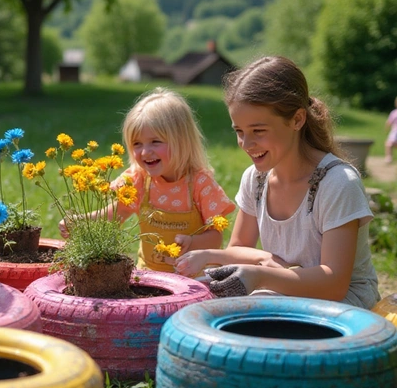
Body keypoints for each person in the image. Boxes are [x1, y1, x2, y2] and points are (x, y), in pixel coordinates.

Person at [175, 56, 381, 310]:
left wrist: (261, 275)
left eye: (258, 131)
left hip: (344, 305)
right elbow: (240, 247)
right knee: (195, 301)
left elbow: (334, 283)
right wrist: (211, 256)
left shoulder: (338, 183)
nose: (246, 144)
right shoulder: (256, 179)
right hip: (282, 290)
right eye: (239, 131)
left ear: (297, 120)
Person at [60, 87, 236, 273]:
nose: (145, 152)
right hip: (149, 276)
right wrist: (81, 221)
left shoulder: (200, 184)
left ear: (182, 141)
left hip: (194, 281)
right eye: (137, 144)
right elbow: (114, 215)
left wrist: (192, 243)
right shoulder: (139, 180)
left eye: (155, 142)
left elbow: (216, 237)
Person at [384, 97, 397, 163]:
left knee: (389, 143)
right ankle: (389, 157)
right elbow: (389, 121)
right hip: (395, 131)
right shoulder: (394, 113)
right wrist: (387, 127)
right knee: (389, 144)